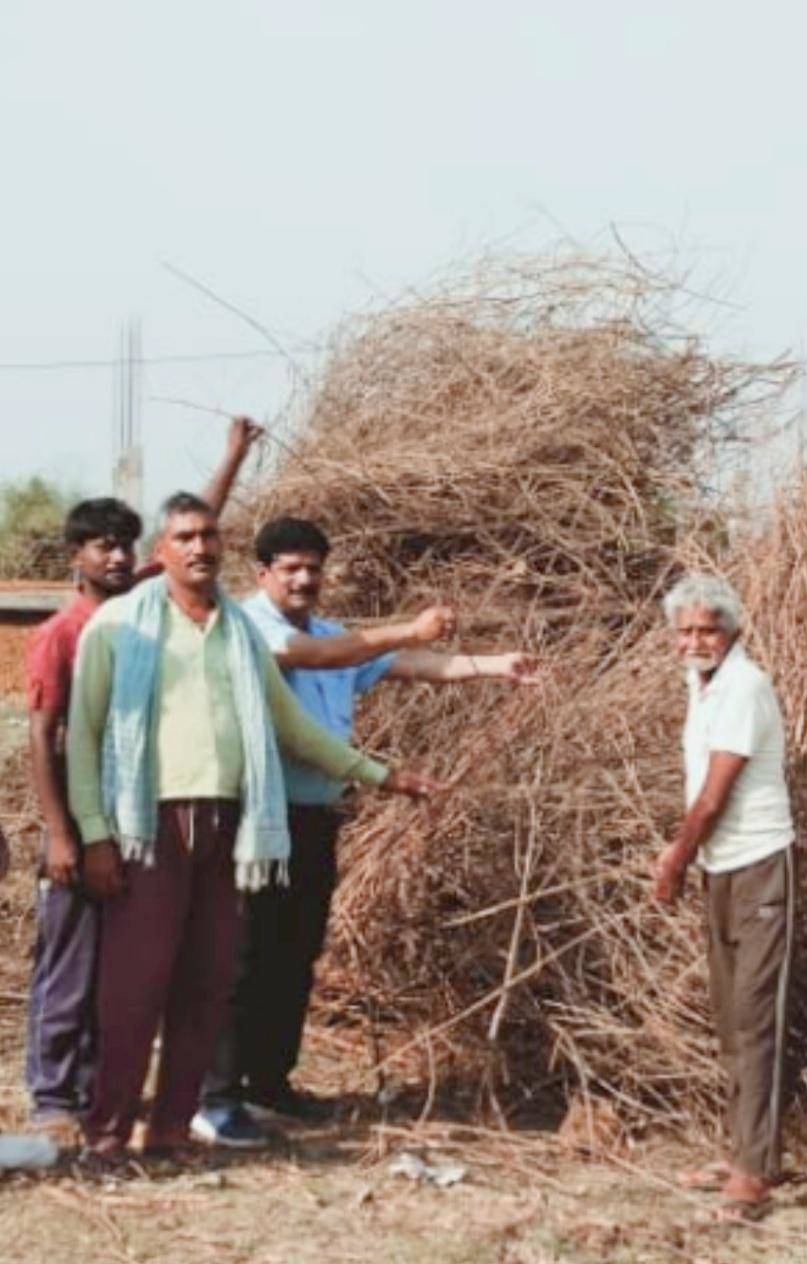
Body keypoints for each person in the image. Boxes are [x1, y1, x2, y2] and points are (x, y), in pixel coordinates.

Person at [66, 493, 442, 1163]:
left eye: (209, 535)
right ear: (163, 551)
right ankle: (106, 1136)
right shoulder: (120, 627)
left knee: (206, 983)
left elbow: (294, 728)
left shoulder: (240, 633)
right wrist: (93, 834)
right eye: (184, 536)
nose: (199, 547)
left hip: (229, 828)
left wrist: (383, 774)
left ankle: (174, 1132)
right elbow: (85, 737)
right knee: (134, 986)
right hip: (146, 826)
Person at [192, 515, 538, 1146]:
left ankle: (269, 1083)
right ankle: (216, 1095)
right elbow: (322, 656)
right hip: (257, 817)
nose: (303, 579)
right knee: (242, 953)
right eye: (290, 568)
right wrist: (406, 625)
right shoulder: (247, 626)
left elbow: (404, 664)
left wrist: (493, 664)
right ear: (262, 573)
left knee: (294, 954)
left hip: (316, 816)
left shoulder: (332, 633)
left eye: (313, 568)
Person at [23, 417, 262, 1137]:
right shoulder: (66, 631)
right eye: (105, 546)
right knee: (67, 967)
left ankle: (104, 1092)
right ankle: (54, 1097)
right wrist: (62, 833)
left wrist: (233, 457)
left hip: (131, 828)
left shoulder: (141, 615)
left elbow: (192, 532)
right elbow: (47, 733)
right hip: (80, 826)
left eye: (128, 545)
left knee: (118, 972)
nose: (121, 557)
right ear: (76, 557)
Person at [653, 574, 795, 1213]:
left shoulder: (744, 686)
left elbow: (714, 796)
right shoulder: (703, 684)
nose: (694, 641)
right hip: (722, 866)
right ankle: (743, 1149)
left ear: (732, 631)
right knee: (731, 1018)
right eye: (684, 631)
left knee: (756, 1016)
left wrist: (673, 860)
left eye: (707, 629)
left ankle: (756, 1170)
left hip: (759, 863)